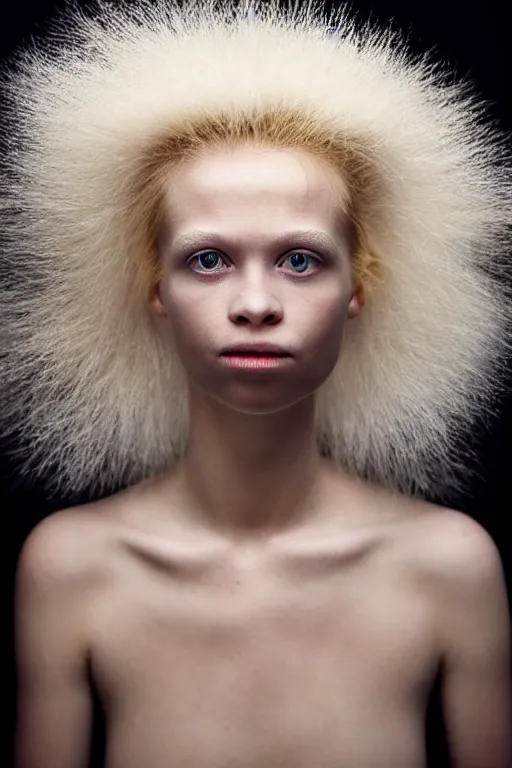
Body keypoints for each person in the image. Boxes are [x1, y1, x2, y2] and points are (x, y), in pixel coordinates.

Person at [2, 1, 510, 767]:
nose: (256, 304)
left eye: (300, 260)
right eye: (207, 259)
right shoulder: (71, 569)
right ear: (153, 289)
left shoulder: (448, 567)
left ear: (359, 286)